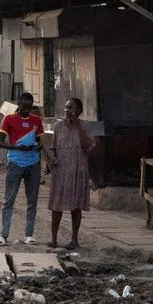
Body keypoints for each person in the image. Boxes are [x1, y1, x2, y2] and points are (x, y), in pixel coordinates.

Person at [0, 92, 44, 246]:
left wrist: (36, 147)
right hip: (15, 163)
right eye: (24, 107)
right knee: (9, 199)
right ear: (18, 105)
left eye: (29, 107)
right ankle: (3, 234)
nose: (26, 110)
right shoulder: (8, 119)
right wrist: (16, 146)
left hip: (33, 163)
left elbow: (40, 142)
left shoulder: (36, 120)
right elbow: (0, 143)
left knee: (32, 200)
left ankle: (29, 234)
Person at [47, 97, 96, 250]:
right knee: (57, 206)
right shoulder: (58, 126)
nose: (68, 111)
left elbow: (88, 146)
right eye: (67, 108)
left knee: (76, 207)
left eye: (72, 108)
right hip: (61, 172)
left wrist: (78, 128)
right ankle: (54, 239)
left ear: (79, 111)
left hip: (77, 172)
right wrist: (53, 160)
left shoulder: (86, 127)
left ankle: (74, 240)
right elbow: (53, 148)